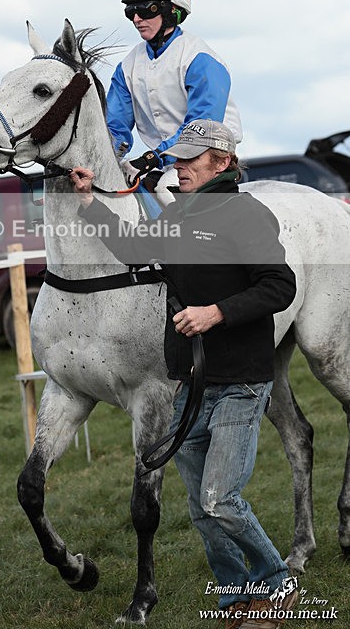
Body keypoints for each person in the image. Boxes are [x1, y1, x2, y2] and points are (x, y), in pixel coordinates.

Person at [70, 119, 298, 629]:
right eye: (177, 159)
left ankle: (276, 583)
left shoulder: (246, 214)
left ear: (222, 162)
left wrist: (216, 312)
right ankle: (236, 601)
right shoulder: (179, 214)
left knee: (220, 499)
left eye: (191, 159)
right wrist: (88, 202)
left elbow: (279, 286)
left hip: (241, 381)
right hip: (191, 382)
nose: (180, 167)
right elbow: (132, 248)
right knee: (200, 507)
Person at [107, 0, 243, 203]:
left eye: (145, 9)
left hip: (207, 158)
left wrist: (152, 158)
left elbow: (201, 128)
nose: (136, 18)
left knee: (166, 189)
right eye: (130, 11)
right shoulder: (126, 67)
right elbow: (115, 129)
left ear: (171, 10)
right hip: (162, 162)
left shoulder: (200, 60)